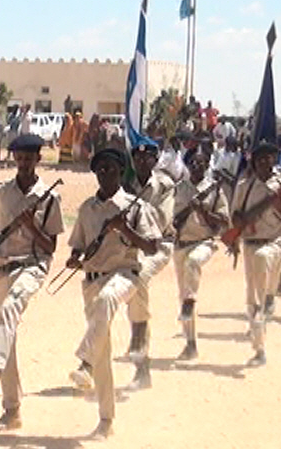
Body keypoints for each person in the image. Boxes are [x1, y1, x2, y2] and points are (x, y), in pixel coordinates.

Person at [66, 147, 161, 439]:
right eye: (100, 170)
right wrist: (74, 258)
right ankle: (106, 421)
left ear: (121, 173)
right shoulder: (87, 208)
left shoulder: (135, 207)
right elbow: (78, 244)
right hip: (92, 280)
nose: (105, 175)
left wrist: (125, 231)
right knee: (103, 349)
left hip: (124, 275)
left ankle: (84, 361)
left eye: (111, 169)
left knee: (108, 299)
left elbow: (152, 247)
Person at [0, 134, 64, 431]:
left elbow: (50, 247)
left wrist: (31, 225)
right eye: (19, 158)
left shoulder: (50, 198)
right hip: (2, 268)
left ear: (38, 159)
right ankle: (12, 411)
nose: (24, 164)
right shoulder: (0, 192)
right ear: (14, 159)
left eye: (29, 158)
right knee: (5, 333)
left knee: (10, 310)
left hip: (32, 266)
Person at [229, 140, 281, 366]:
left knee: (268, 292)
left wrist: (278, 204)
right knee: (254, 296)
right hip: (253, 246)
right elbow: (236, 218)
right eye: (261, 160)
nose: (266, 164)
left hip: (277, 244)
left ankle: (266, 306)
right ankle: (259, 347)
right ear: (254, 162)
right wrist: (254, 212)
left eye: (270, 159)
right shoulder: (244, 186)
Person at [122, 140, 175, 389]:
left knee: (139, 275)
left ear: (155, 161)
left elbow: (160, 221)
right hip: (130, 245)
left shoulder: (164, 186)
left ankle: (140, 340)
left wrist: (131, 212)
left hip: (158, 246)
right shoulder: (125, 184)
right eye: (138, 158)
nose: (142, 162)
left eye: (147, 158)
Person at [171, 148, 230, 359]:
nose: (197, 166)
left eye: (202, 163)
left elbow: (224, 221)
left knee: (193, 263)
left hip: (204, 242)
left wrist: (204, 211)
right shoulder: (179, 189)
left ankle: (190, 300)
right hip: (181, 244)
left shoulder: (215, 190)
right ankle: (190, 343)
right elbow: (172, 220)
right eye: (193, 163)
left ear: (207, 165)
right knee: (182, 294)